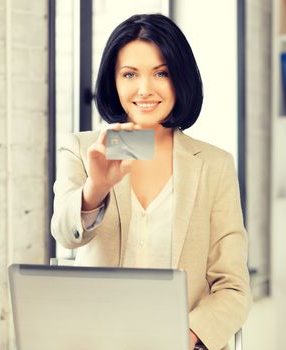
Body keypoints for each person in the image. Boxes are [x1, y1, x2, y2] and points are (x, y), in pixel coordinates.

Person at [51, 13, 251, 350]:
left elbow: (233, 287)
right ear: (113, 82)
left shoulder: (215, 165)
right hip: (97, 341)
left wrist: (184, 337)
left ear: (181, 79)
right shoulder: (84, 150)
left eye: (161, 73)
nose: (145, 89)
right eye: (130, 74)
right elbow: (63, 234)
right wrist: (95, 191)